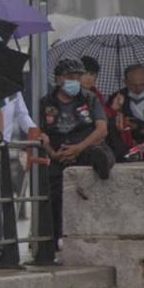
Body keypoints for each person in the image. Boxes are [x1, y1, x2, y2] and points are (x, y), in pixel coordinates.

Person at [41, 57, 114, 246]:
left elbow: (101, 129)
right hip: (59, 153)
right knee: (53, 194)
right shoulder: (46, 102)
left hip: (85, 147)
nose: (74, 80)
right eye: (69, 76)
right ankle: (53, 242)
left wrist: (79, 147)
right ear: (57, 79)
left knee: (101, 154)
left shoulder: (89, 99)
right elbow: (41, 134)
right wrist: (52, 152)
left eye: (77, 76)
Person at [106, 64, 144, 160]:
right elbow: (105, 121)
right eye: (133, 85)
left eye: (142, 84)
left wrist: (138, 126)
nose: (138, 89)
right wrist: (114, 112)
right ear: (125, 82)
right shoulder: (116, 98)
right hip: (126, 145)